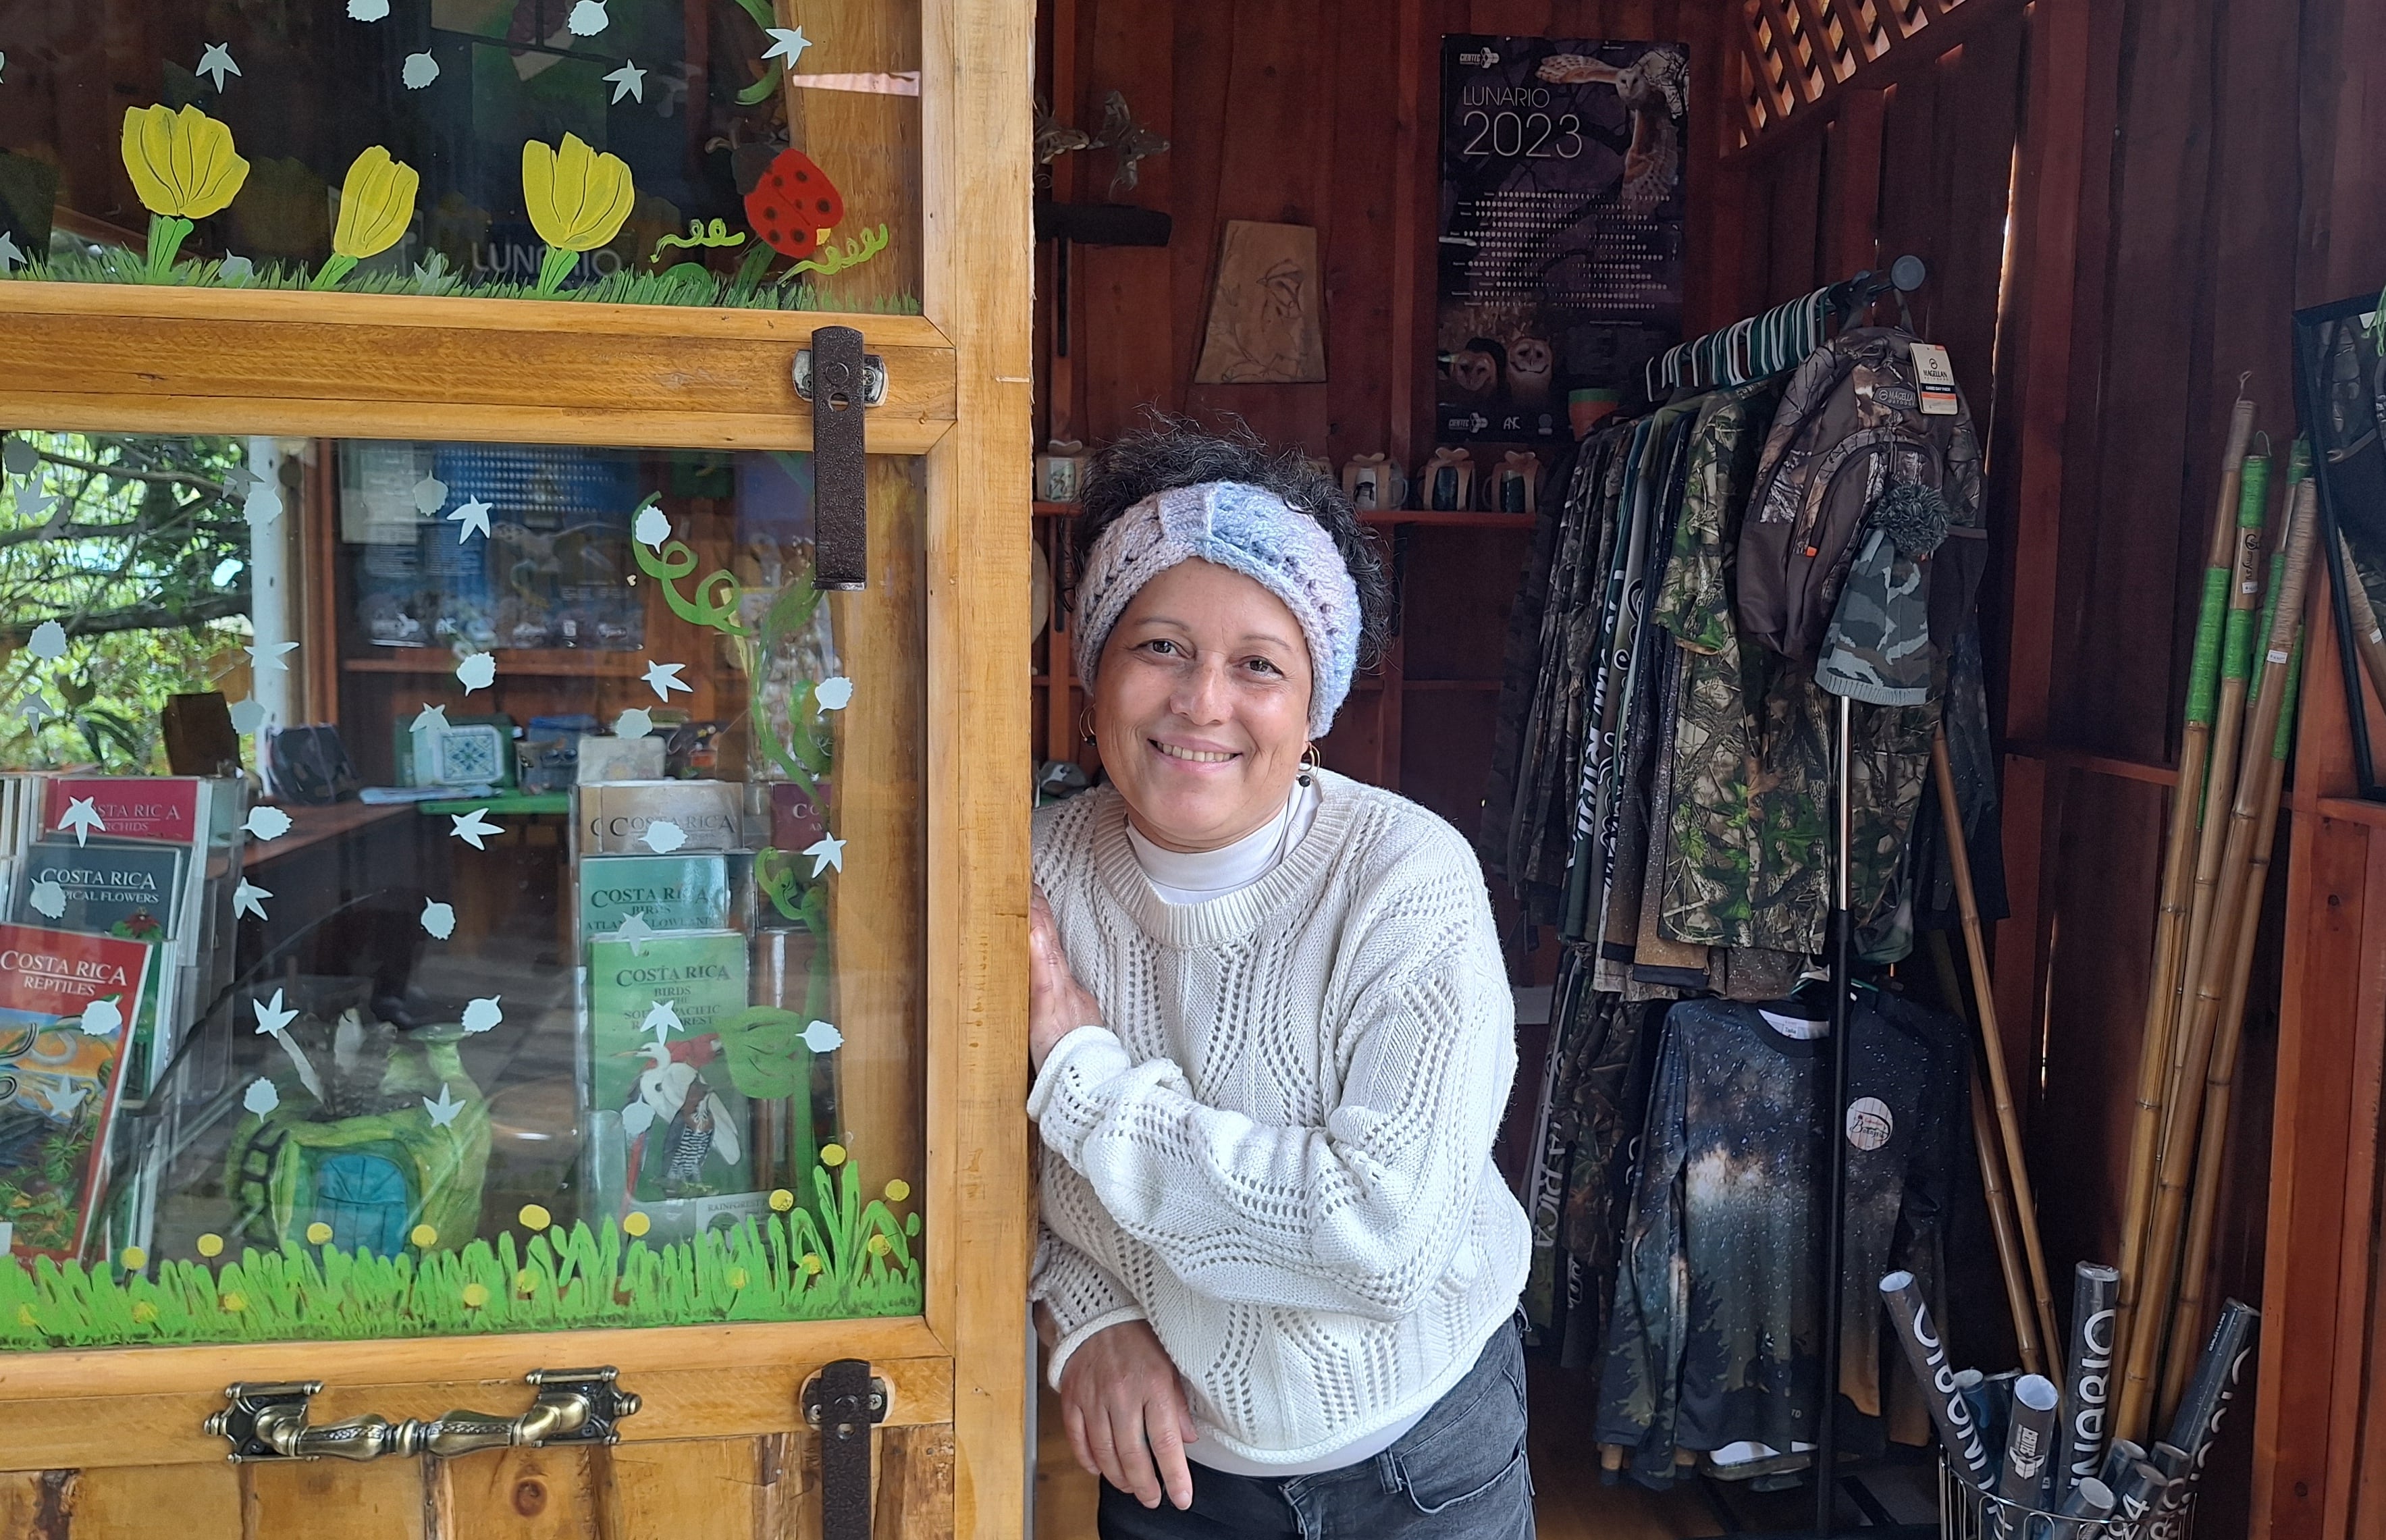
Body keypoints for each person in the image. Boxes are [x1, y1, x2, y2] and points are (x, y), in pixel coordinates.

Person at [1026, 421, 1535, 1538]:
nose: (1202, 702)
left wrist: (1082, 1076)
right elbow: (979, 1171)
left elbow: (1382, 1235)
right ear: (1094, 669)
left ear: (1314, 712)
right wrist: (1082, 1315)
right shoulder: (1032, 874)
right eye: (1159, 645)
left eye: (1258, 663)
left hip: (1422, 1463)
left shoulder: (1407, 879)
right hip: (1173, 1479)